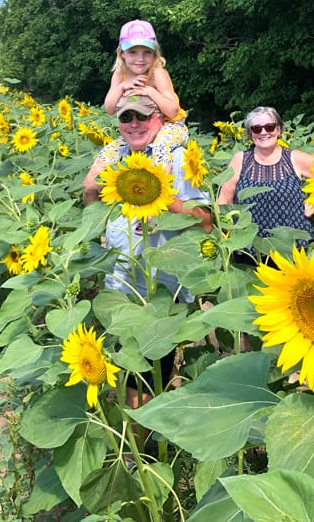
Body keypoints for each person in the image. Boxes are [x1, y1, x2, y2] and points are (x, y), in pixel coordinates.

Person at [83, 93, 211, 407]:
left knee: (152, 365)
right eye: (126, 117)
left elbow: (206, 223)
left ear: (159, 119)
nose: (134, 124)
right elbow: (92, 203)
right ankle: (142, 446)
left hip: (161, 287)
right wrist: (94, 200)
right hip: (122, 283)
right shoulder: (113, 158)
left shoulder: (177, 159)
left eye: (142, 116)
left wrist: (165, 200)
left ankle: (148, 443)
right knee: (132, 367)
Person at [217, 106, 314, 265]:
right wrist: (228, 236)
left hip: (292, 249)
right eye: (257, 129)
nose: (264, 132)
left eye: (270, 127)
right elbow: (223, 202)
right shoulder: (240, 160)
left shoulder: (294, 159)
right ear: (250, 134)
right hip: (250, 250)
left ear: (279, 130)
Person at [101, 19, 188, 173]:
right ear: (122, 54)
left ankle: (161, 185)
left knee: (161, 148)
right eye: (133, 52)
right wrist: (122, 87)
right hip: (140, 129)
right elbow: (109, 108)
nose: (140, 59)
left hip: (172, 127)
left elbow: (173, 110)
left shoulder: (156, 72)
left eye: (146, 52)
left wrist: (150, 91)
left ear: (155, 54)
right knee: (107, 154)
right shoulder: (120, 74)